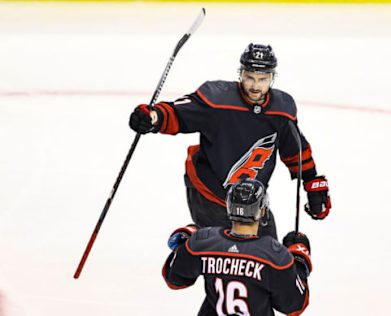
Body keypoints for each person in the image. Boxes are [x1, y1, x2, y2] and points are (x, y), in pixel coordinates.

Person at [129, 43, 332, 239]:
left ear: (272, 77)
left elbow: (295, 150)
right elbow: (178, 114)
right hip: (209, 190)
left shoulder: (282, 109)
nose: (255, 86)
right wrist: (153, 118)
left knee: (266, 255)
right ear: (241, 73)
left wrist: (312, 181)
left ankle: (192, 241)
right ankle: (194, 245)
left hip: (253, 197)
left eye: (262, 79)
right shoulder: (217, 99)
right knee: (221, 255)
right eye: (249, 77)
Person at [162, 179, 312, 316]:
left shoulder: (202, 242)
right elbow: (295, 305)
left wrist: (184, 244)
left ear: (229, 207)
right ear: (261, 210)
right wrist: (299, 261)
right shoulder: (275, 256)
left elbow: (174, 279)